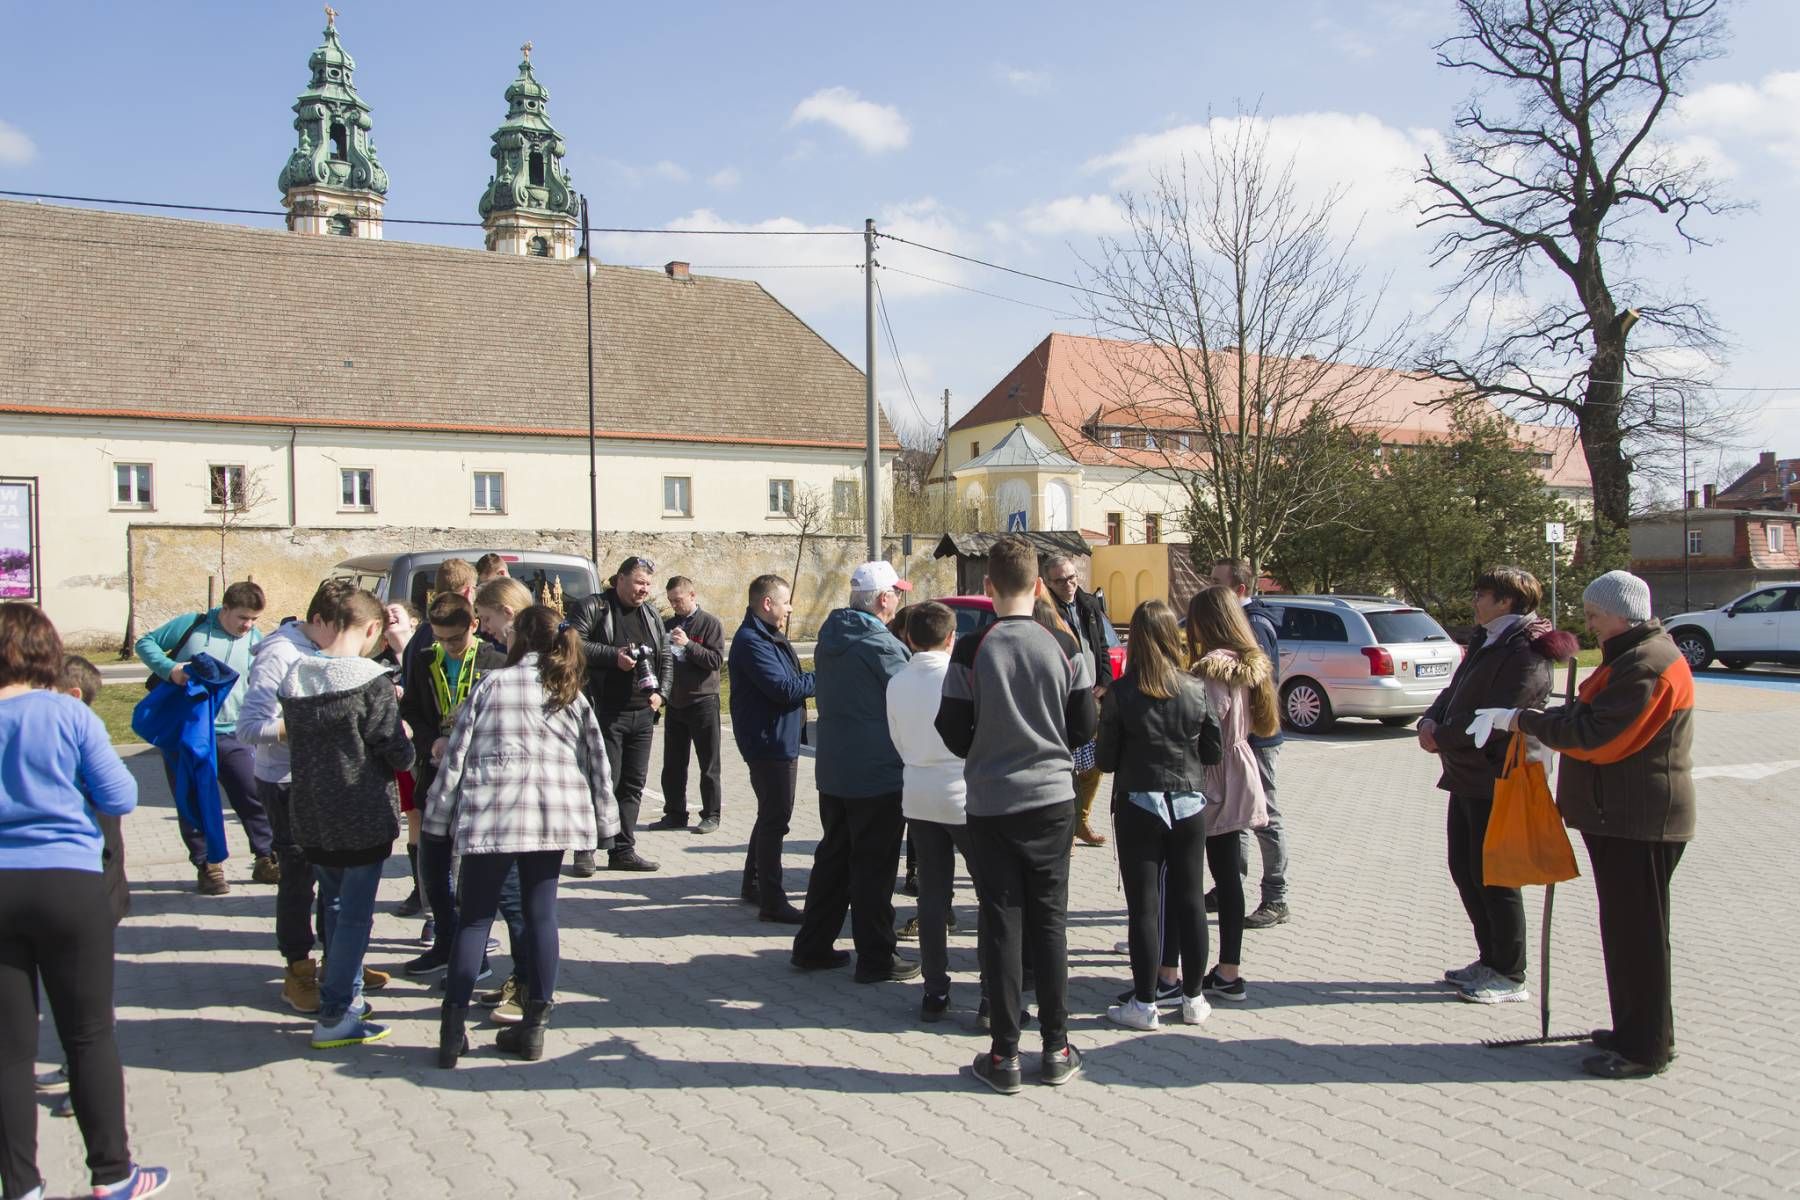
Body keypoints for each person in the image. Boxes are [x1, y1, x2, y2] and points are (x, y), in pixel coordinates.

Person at [0, 603, 171, 1200]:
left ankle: (21, 1185)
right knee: (88, 1034)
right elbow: (120, 795)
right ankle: (113, 1174)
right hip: (68, 883)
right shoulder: (68, 713)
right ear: (45, 651)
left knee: (8, 1049)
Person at [1498, 570, 1696, 1079]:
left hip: (1639, 820)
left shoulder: (1648, 664)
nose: (1588, 625)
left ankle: (1644, 1048)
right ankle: (1640, 1030)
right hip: (1621, 816)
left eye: (1594, 615)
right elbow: (1588, 719)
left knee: (1638, 937)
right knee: (1629, 933)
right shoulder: (1629, 657)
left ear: (1623, 614)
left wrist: (1526, 721)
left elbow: (1599, 738)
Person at [937, 536, 1098, 1094]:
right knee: (1050, 923)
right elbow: (1085, 727)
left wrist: (987, 745)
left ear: (988, 587)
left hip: (991, 803)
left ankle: (1004, 1053)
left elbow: (951, 729)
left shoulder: (971, 649)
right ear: (1037, 586)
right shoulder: (1065, 644)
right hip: (1052, 801)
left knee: (1001, 922)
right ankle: (1057, 1047)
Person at [427, 605, 615, 1068]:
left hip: (493, 814)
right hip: (550, 818)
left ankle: (451, 1031)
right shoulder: (569, 691)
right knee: (541, 915)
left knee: (475, 919)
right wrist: (606, 826)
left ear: (521, 639)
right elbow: (598, 759)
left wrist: (437, 818)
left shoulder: (492, 685)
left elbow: (456, 754)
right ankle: (534, 1028)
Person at [1417, 567, 1576, 1005]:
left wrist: (1442, 736)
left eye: (1481, 594)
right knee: (1465, 868)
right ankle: (1489, 958)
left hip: (1498, 776)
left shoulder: (1527, 652)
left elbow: (1500, 717)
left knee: (1495, 877)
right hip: (1466, 775)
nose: (1475, 601)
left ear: (1506, 601)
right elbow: (1455, 691)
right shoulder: (1489, 640)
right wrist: (1430, 720)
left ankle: (1510, 972)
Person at [278, 587, 413, 1050]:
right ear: (373, 628)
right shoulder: (370, 681)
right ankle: (336, 1012)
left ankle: (347, 994)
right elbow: (394, 749)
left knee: (333, 904)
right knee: (354, 916)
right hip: (360, 812)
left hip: (312, 811)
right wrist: (405, 739)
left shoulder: (296, 676)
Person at [236, 578, 365, 1015]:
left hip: (326, 779)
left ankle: (338, 964)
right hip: (285, 781)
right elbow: (250, 727)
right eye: (342, 631)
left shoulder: (327, 650)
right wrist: (314, 724)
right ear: (319, 621)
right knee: (299, 877)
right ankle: (297, 969)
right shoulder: (280, 653)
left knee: (334, 875)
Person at [791, 561, 917, 983]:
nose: (899, 599)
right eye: (896, 592)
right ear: (882, 599)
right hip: (877, 772)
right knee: (874, 867)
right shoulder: (880, 645)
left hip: (836, 768)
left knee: (834, 858)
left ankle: (813, 945)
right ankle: (876, 957)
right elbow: (909, 698)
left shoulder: (831, 637)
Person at [1098, 600, 1217, 1031]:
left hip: (1139, 802)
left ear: (1135, 641)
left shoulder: (1121, 692)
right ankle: (1194, 998)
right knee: (1191, 900)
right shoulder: (1196, 688)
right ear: (1172, 637)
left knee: (1144, 908)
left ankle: (1145, 1003)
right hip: (1188, 800)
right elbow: (1213, 751)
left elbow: (1106, 759)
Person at [133, 579, 277, 894]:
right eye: (242, 617)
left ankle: (266, 857)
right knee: (194, 799)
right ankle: (208, 866)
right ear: (224, 609)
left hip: (234, 733)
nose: (248, 625)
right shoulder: (193, 625)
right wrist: (170, 669)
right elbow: (145, 643)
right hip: (187, 733)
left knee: (252, 794)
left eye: (254, 619)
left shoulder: (255, 639)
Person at [36, 656, 130, 1123]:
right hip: (63, 887)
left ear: (73, 697)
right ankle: (73, 1064)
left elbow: (117, 805)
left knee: (88, 1001)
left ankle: (85, 1079)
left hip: (92, 885)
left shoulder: (84, 743)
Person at [399, 592, 508, 976]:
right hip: (435, 773)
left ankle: (473, 952)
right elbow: (411, 709)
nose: (448, 646)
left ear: (474, 625)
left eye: (455, 638)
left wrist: (465, 742)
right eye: (440, 638)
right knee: (433, 863)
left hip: (477, 779)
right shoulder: (424, 659)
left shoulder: (495, 662)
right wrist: (431, 740)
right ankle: (443, 939)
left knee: (469, 870)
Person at [1185, 585, 1277, 1005]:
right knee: (1228, 877)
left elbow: (1203, 722)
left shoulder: (1213, 669)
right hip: (1240, 768)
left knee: (1199, 874)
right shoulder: (1248, 663)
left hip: (1214, 775)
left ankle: (1189, 966)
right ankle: (1230, 969)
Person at [885, 601, 977, 1021]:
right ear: (952, 638)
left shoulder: (897, 681)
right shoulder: (959, 678)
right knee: (991, 891)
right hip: (962, 791)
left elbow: (897, 740)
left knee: (932, 895)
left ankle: (935, 990)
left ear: (908, 637)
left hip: (918, 792)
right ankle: (992, 989)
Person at [567, 555, 669, 874]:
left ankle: (623, 850)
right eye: (639, 582)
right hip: (604, 711)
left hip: (643, 712)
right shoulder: (593, 607)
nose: (644, 589)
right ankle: (585, 850)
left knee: (632, 785)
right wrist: (614, 657)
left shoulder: (651, 614)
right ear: (620, 579)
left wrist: (662, 694)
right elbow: (573, 645)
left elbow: (665, 654)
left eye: (648, 584)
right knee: (601, 781)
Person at [1208, 558, 1291, 928]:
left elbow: (1257, 685)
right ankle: (1229, 885)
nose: (1209, 586)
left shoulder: (1253, 624)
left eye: (1217, 581)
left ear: (1239, 589)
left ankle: (1276, 897)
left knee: (1264, 815)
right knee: (1235, 813)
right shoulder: (1236, 621)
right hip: (1241, 737)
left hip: (1256, 737)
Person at [728, 574, 815, 922]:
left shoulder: (768, 634)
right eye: (785, 602)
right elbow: (783, 688)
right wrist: (825, 675)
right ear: (767, 603)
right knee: (776, 819)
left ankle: (754, 884)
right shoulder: (752, 640)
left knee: (769, 814)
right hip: (769, 742)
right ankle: (772, 901)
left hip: (778, 738)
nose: (790, 608)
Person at [1040, 554, 1115, 847]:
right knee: (1067, 766)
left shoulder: (1089, 604)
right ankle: (1068, 829)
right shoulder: (1045, 611)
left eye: (1072, 577)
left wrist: (1105, 681)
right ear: (1048, 582)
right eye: (1060, 580)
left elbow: (1103, 646)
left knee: (1095, 763)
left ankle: (1082, 820)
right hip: (1064, 699)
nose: (1069, 584)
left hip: (1093, 695)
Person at [650, 576, 725, 834]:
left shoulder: (710, 624)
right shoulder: (668, 625)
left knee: (708, 763)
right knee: (673, 764)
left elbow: (715, 660)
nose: (674, 605)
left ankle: (711, 814)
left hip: (703, 701)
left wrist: (688, 645)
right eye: (671, 601)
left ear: (692, 595)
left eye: (678, 600)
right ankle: (675, 813)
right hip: (676, 703)